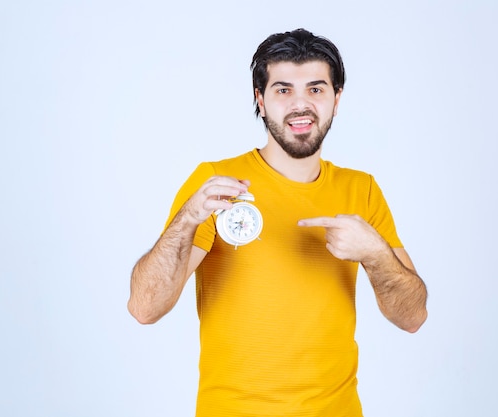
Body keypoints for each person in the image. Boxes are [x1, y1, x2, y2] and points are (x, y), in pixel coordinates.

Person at [128, 28, 428, 417]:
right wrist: (188, 219)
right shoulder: (217, 182)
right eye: (283, 90)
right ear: (261, 100)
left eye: (316, 90)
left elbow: (413, 317)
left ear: (337, 100)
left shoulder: (362, 189)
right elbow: (144, 308)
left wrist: (374, 254)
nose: (300, 105)